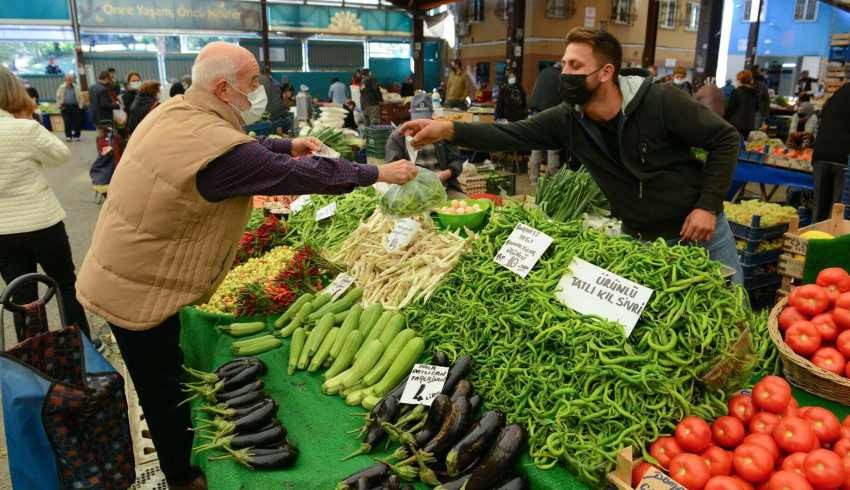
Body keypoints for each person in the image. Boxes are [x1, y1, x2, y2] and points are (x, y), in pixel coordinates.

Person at [75, 42, 417, 490]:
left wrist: (286, 143)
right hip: (138, 285)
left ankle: (181, 456)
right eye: (254, 82)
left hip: (127, 265)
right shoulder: (212, 143)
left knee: (163, 371)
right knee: (161, 389)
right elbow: (299, 176)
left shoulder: (174, 111)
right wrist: (377, 174)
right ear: (223, 88)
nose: (261, 91)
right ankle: (183, 476)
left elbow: (237, 144)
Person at [401, 27, 743, 282]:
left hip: (699, 235)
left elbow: (725, 140)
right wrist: (448, 129)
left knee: (731, 329)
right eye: (563, 63)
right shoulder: (568, 119)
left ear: (606, 72)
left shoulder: (661, 100)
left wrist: (707, 205)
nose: (564, 73)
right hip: (639, 241)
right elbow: (510, 134)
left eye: (575, 65)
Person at [0, 66, 92, 340]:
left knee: (22, 294)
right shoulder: (25, 129)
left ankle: (32, 352)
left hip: (3, 231)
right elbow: (60, 156)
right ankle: (82, 343)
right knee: (64, 283)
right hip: (42, 222)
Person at [386, 92, 462, 190]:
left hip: (443, 186)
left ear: (432, 115)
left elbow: (457, 161)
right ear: (410, 114)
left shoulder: (442, 132)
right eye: (417, 119)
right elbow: (391, 169)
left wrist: (444, 174)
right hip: (410, 190)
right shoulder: (398, 137)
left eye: (425, 120)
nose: (420, 125)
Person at [812, 81, 850, 221]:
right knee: (836, 213)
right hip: (843, 159)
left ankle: (812, 240)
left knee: (818, 211)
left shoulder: (838, 94)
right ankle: (828, 240)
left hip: (821, 154)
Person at [528, 62, 563, 184]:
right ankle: (554, 180)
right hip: (551, 114)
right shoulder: (560, 76)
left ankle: (533, 179)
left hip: (536, 113)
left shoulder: (543, 73)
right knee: (552, 148)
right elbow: (563, 97)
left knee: (536, 147)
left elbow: (534, 91)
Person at [724, 70, 760, 139]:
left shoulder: (736, 92)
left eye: (737, 79)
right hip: (749, 124)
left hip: (736, 124)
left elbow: (730, 108)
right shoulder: (755, 93)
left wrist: (724, 118)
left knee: (734, 144)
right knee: (744, 144)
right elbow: (756, 108)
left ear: (740, 80)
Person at [55, 73, 85, 142]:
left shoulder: (76, 87)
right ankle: (68, 136)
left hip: (75, 106)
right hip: (65, 107)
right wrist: (59, 105)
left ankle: (77, 136)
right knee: (67, 122)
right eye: (68, 79)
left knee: (77, 122)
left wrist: (80, 106)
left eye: (71, 79)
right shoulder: (61, 87)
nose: (69, 81)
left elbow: (80, 97)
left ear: (73, 80)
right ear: (65, 80)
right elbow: (58, 97)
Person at [753, 66, 770, 130]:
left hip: (756, 110)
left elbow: (766, 99)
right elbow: (766, 99)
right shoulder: (761, 84)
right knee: (755, 129)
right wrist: (766, 114)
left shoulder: (760, 83)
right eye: (759, 71)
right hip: (758, 110)